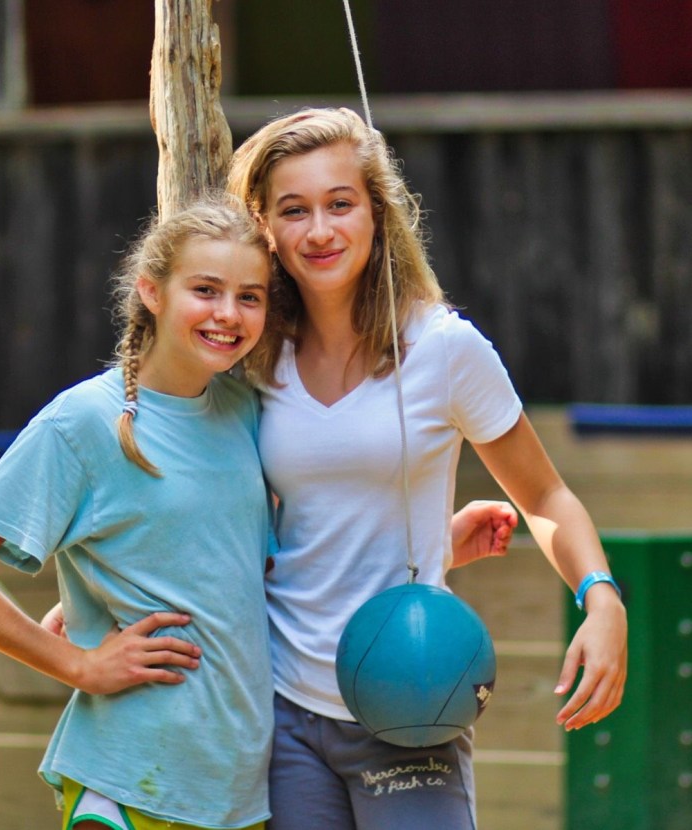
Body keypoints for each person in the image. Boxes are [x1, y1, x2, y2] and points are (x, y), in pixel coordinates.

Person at [225, 107, 628, 830]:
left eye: (340, 204)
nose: (320, 230)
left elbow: (545, 494)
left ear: (377, 213)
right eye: (294, 210)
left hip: (411, 702)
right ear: (265, 230)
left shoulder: (444, 348)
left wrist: (601, 599)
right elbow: (256, 528)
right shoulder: (252, 354)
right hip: (282, 708)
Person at [0, 195, 279, 830]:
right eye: (206, 289)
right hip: (130, 779)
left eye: (250, 296)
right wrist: (77, 662)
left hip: (234, 789)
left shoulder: (244, 409)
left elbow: (226, 563)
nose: (228, 314)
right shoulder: (81, 421)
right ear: (152, 292)